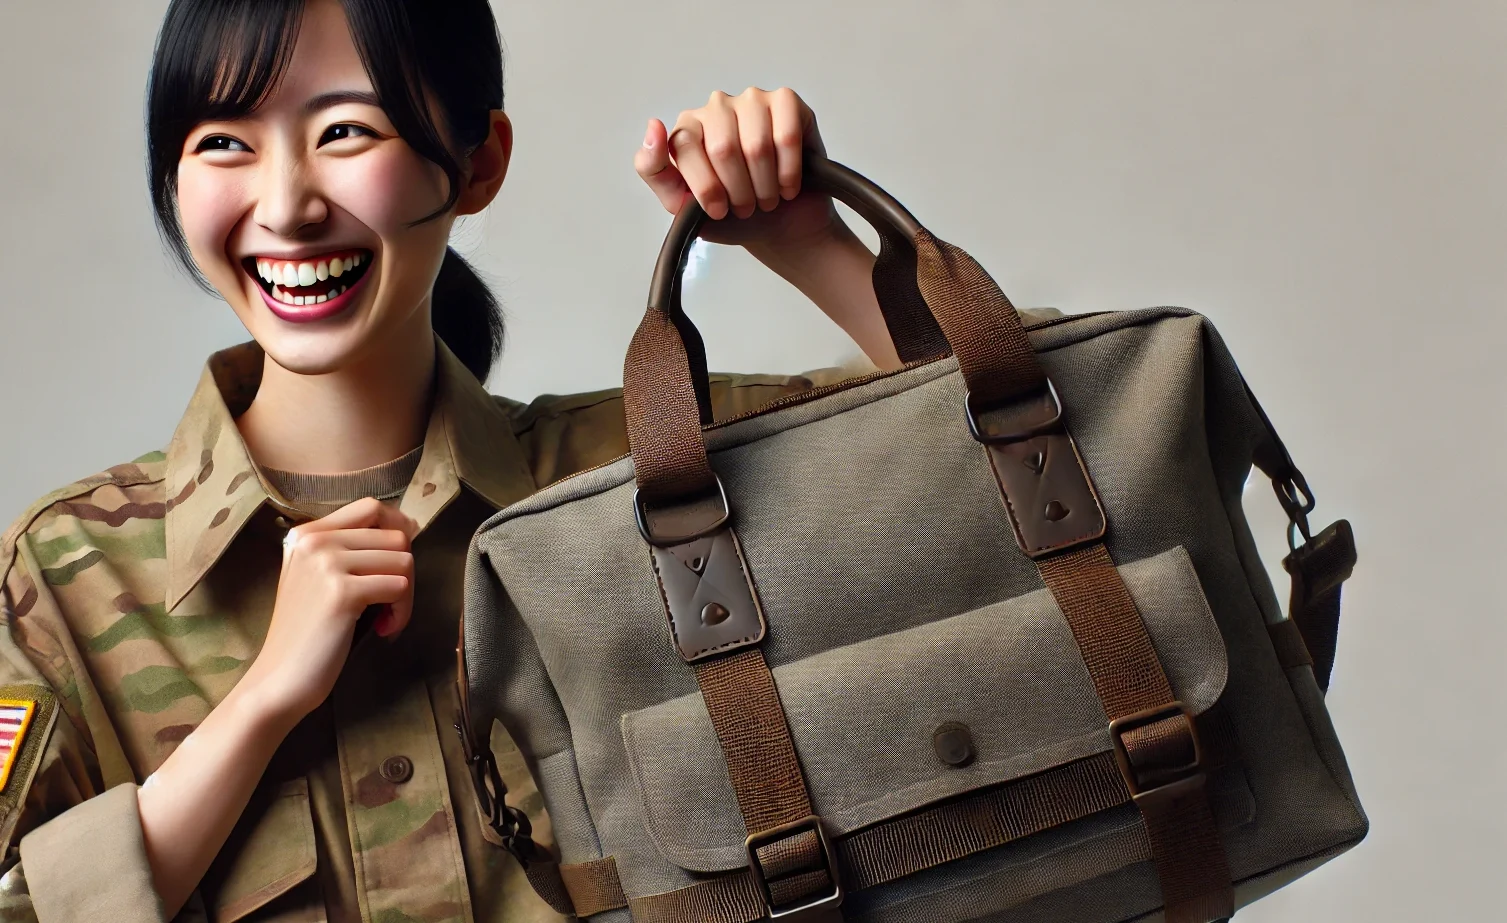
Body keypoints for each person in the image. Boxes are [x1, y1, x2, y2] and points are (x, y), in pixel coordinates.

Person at [0, 1, 1049, 920]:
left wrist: (808, 242)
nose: (284, 205)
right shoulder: (66, 578)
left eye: (344, 130)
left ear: (479, 162)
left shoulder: (639, 480)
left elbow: (1065, 450)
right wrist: (263, 700)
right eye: (223, 144)